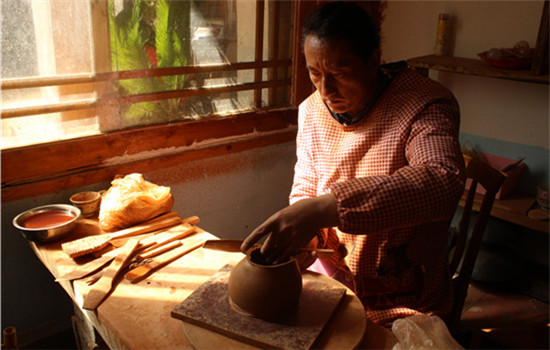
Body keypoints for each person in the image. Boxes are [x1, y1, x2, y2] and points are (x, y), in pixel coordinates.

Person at [241, 1, 465, 327]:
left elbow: (443, 181)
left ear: (373, 60)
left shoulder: (424, 103)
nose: (325, 90)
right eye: (314, 73)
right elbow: (306, 185)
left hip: (405, 303)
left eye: (339, 73)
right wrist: (308, 234)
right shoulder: (311, 110)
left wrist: (326, 208)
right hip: (335, 288)